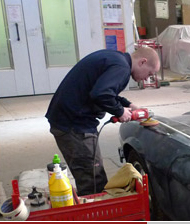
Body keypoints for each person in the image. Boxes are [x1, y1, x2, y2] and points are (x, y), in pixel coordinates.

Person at [45, 47, 160, 196]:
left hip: (68, 119)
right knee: (93, 181)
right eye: (149, 74)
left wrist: (128, 105)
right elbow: (101, 94)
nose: (147, 79)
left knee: (91, 175)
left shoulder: (116, 58)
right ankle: (93, 216)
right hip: (74, 126)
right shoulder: (121, 68)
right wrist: (120, 112)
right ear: (143, 62)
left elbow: (104, 90)